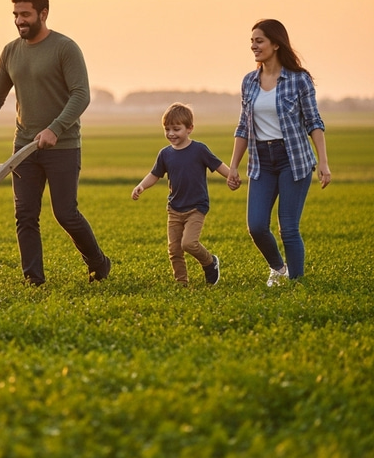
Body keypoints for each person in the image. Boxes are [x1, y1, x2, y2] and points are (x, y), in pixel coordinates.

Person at [0, 0, 110, 286]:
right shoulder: (11, 52)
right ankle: (33, 279)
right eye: (15, 15)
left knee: (65, 214)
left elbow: (81, 95)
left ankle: (98, 262)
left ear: (43, 13)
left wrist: (55, 128)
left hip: (63, 146)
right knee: (25, 215)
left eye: (25, 14)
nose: (19, 21)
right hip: (24, 146)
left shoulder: (65, 48)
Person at [227, 19, 331, 285]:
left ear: (276, 43)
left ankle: (297, 284)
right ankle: (278, 268)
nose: (253, 46)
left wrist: (323, 162)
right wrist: (234, 166)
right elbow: (243, 127)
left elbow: (314, 122)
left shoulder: (298, 79)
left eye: (259, 40)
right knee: (257, 226)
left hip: (293, 159)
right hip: (262, 161)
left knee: (288, 228)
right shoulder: (249, 81)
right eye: (251, 41)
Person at [132, 103, 237, 286]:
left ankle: (210, 262)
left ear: (189, 129)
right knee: (174, 249)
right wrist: (141, 186)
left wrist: (232, 177)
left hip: (196, 207)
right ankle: (181, 283)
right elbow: (154, 175)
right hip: (174, 208)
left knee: (188, 243)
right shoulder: (165, 154)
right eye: (167, 129)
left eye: (176, 129)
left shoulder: (199, 150)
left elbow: (218, 165)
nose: (171, 133)